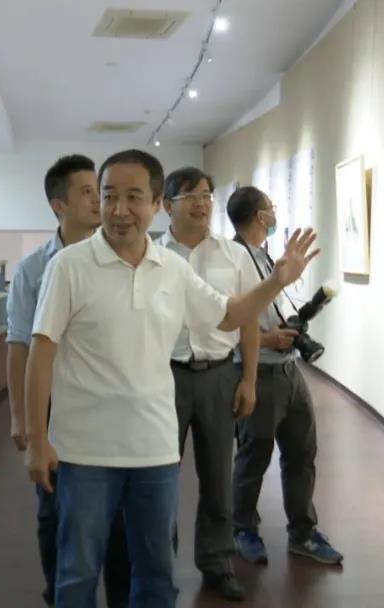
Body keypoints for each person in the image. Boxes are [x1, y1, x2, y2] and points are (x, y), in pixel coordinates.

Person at [24, 149, 320, 608]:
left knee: (157, 574)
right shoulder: (68, 266)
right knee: (77, 574)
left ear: (155, 202)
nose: (119, 209)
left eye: (133, 197)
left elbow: (229, 316)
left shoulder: (172, 269)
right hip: (84, 453)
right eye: (108, 196)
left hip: (154, 451)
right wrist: (37, 440)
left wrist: (276, 281)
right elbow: (41, 352)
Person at [5, 154, 130, 607]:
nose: (99, 201)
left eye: (99, 191)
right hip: (56, 408)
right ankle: (61, 593)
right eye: (87, 192)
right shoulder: (33, 270)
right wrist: (22, 418)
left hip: (112, 406)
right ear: (59, 205)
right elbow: (20, 344)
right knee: (55, 511)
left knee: (119, 519)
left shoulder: (122, 257)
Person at [226, 186, 344, 567]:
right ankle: (242, 530)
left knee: (302, 453)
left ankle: (303, 532)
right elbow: (224, 325)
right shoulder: (232, 261)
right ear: (260, 216)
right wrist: (266, 339)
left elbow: (268, 305)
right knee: (253, 458)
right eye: (270, 208)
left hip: (290, 371)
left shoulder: (264, 256)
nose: (274, 213)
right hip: (257, 372)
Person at [156, 167, 259, 602]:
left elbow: (248, 318)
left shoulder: (234, 256)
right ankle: (160, 566)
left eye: (207, 195)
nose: (201, 204)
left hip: (219, 374)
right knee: (160, 477)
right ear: (167, 206)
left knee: (218, 477)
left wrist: (249, 378)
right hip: (165, 377)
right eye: (190, 196)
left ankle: (217, 563)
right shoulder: (153, 256)